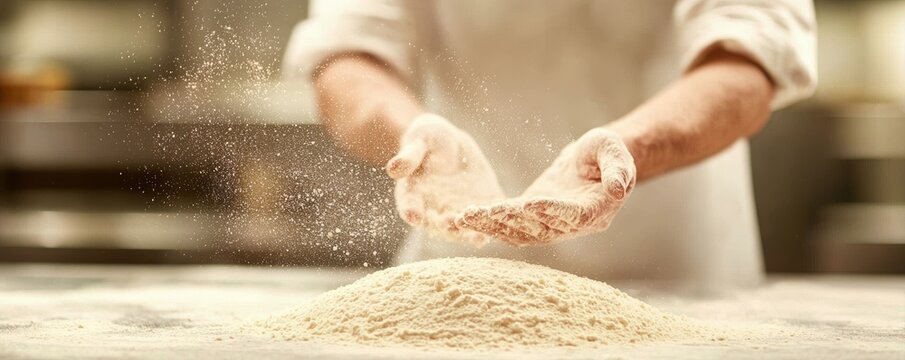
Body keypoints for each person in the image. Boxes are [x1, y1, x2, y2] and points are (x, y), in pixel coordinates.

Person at [283, 0, 816, 294]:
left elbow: (750, 64)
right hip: (462, 273)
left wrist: (628, 149)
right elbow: (347, 57)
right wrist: (411, 133)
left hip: (677, 278)